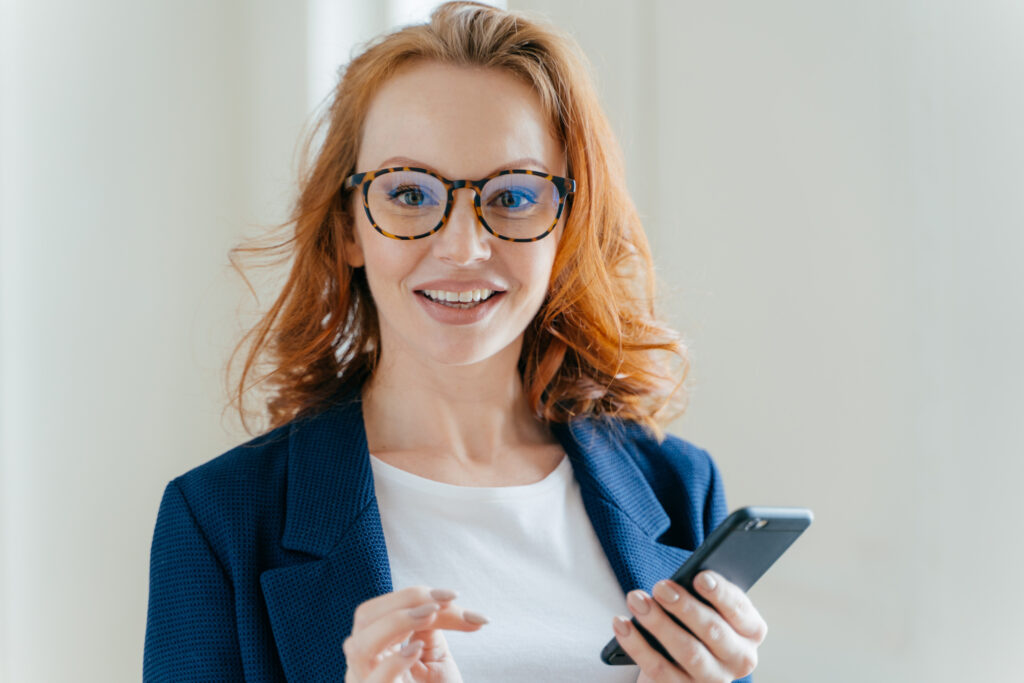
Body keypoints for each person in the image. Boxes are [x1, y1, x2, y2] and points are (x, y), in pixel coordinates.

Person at [143, 2, 767, 681]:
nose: (463, 247)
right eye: (409, 194)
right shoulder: (218, 521)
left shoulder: (679, 487)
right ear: (350, 227)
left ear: (568, 226)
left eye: (515, 195)